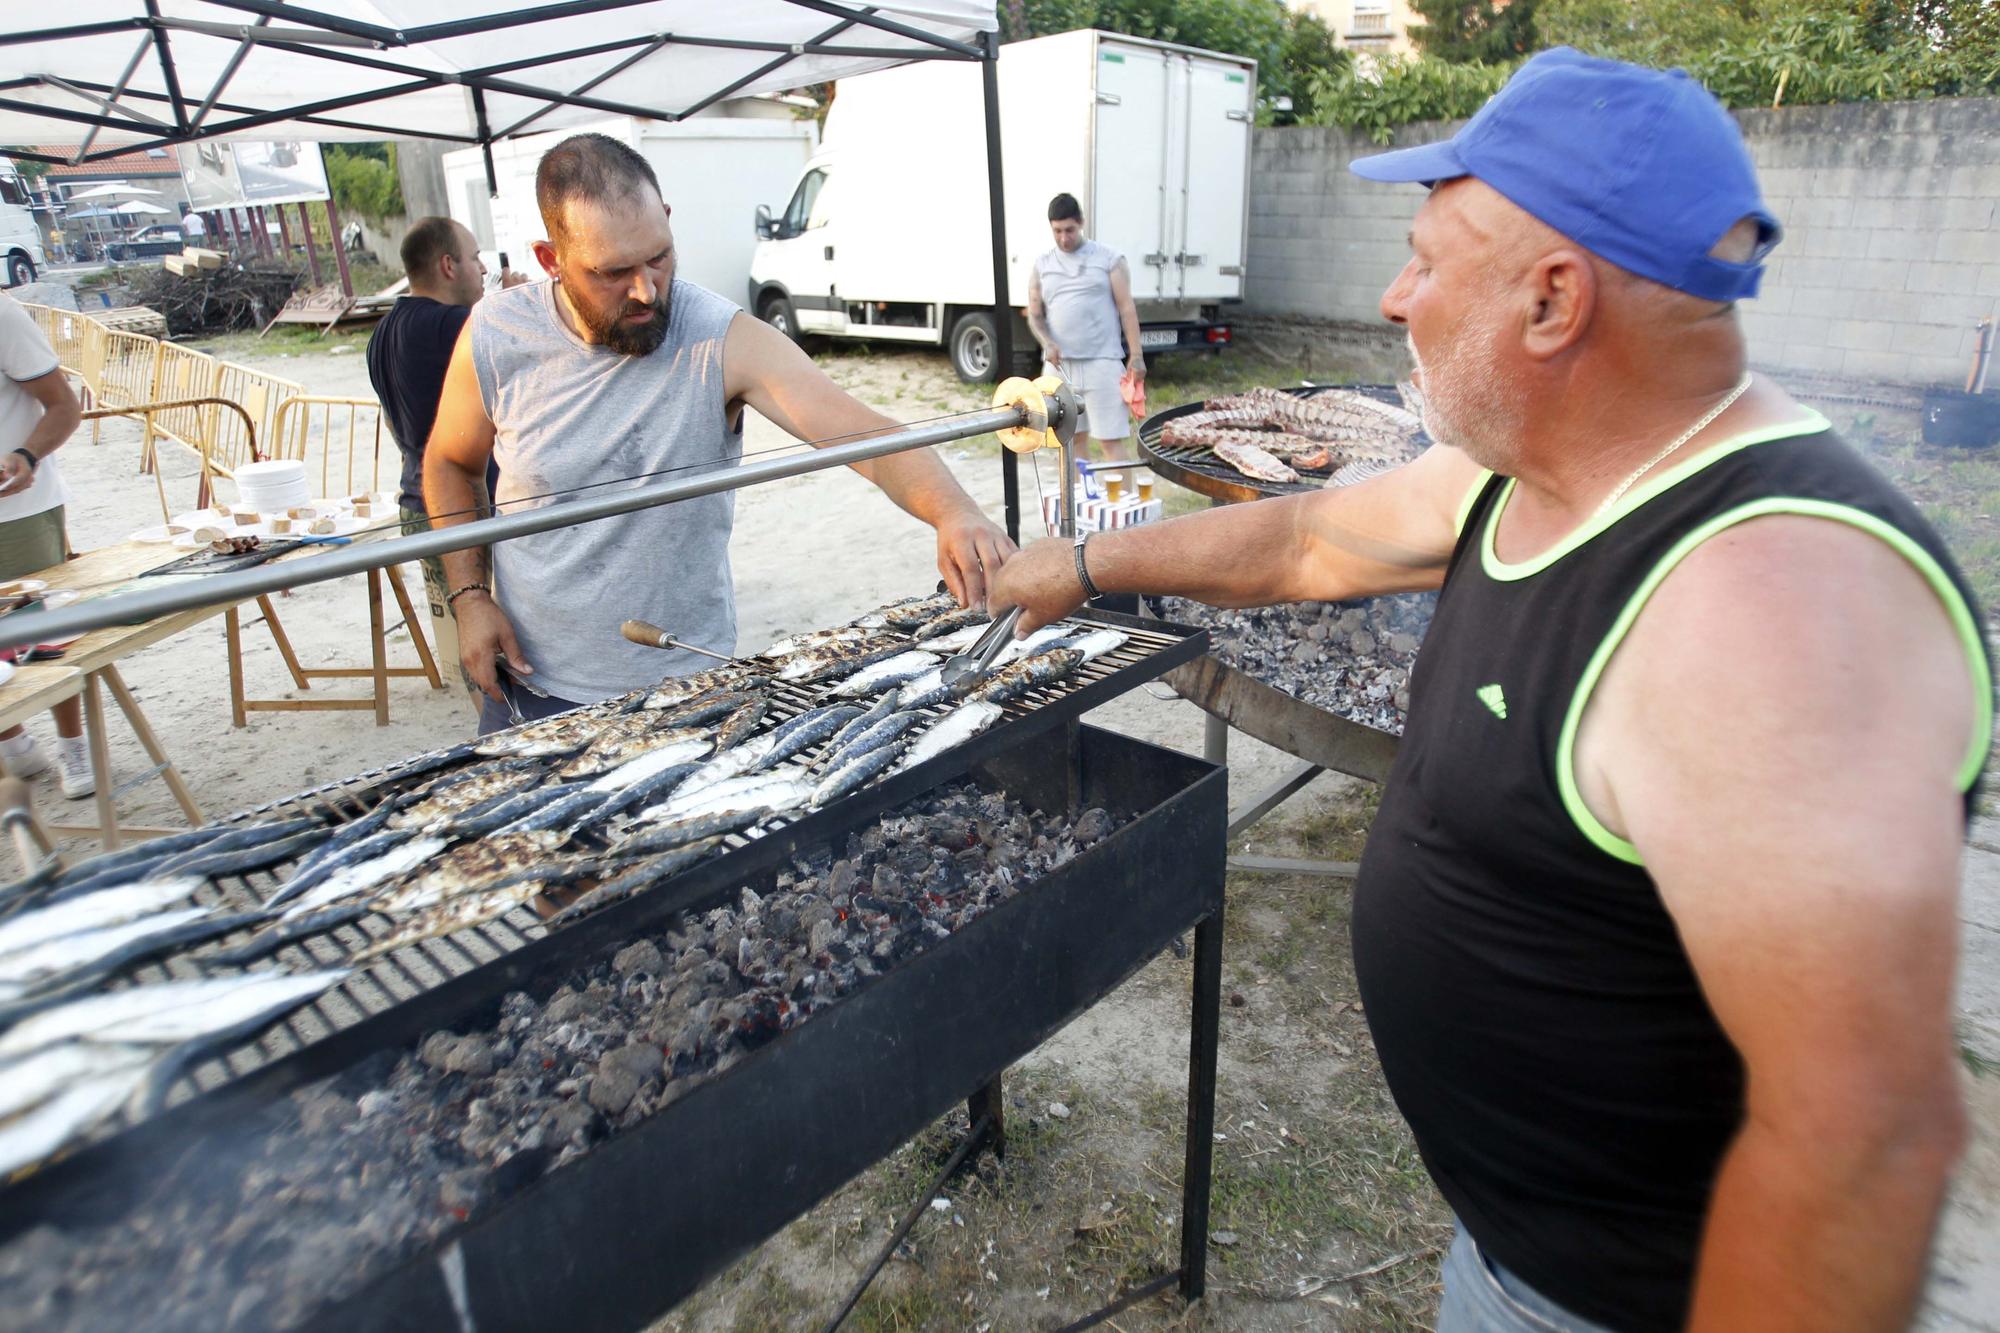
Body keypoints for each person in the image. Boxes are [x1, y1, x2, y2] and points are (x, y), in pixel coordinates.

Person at [992, 48, 1982, 1333]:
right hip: (1514, 1252)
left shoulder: (1770, 608)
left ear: (1551, 300)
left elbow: (1858, 1147)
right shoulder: (1538, 470)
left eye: (1425, 258)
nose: (1396, 297)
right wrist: (1078, 566)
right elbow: (1307, 540)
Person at [424, 134, 1014, 733]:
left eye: (659, 257)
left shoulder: (719, 337)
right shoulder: (497, 333)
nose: (646, 291)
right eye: (613, 271)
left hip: (687, 692)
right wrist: (471, 597)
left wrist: (954, 511)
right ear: (551, 259)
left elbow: (863, 432)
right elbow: (449, 463)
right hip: (530, 690)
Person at [367, 217, 493, 704]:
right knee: (490, 640)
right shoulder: (457, 326)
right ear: (448, 265)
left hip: (416, 504)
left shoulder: (382, 332)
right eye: (475, 257)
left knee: (465, 636)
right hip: (462, 505)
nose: (482, 269)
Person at [0, 292, 91, 798]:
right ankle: (14, 743)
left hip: (17, 511)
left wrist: (26, 455)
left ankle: (74, 745)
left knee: (46, 636)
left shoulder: (2, 315)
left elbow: (64, 405)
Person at [1025, 193, 1145, 461]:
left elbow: (1127, 309)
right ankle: (1077, 501)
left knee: (1110, 442)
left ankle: (1118, 501)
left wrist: (1136, 357)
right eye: (1057, 231)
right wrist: (1047, 342)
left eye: (1069, 230)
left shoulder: (1109, 259)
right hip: (1060, 366)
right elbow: (1035, 314)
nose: (1064, 238)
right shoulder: (1043, 264)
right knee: (1069, 442)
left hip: (1102, 362)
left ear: (1081, 223)